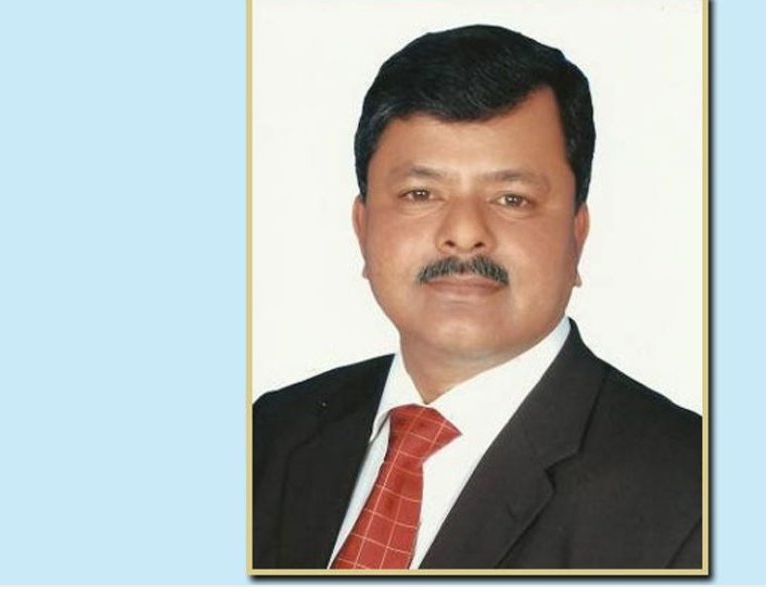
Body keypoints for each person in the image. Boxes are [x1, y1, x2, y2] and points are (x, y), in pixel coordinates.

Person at [252, 24, 702, 571]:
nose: (464, 234)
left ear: (577, 234)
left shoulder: (695, 495)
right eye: (421, 193)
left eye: (512, 198)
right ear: (363, 228)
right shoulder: (270, 433)